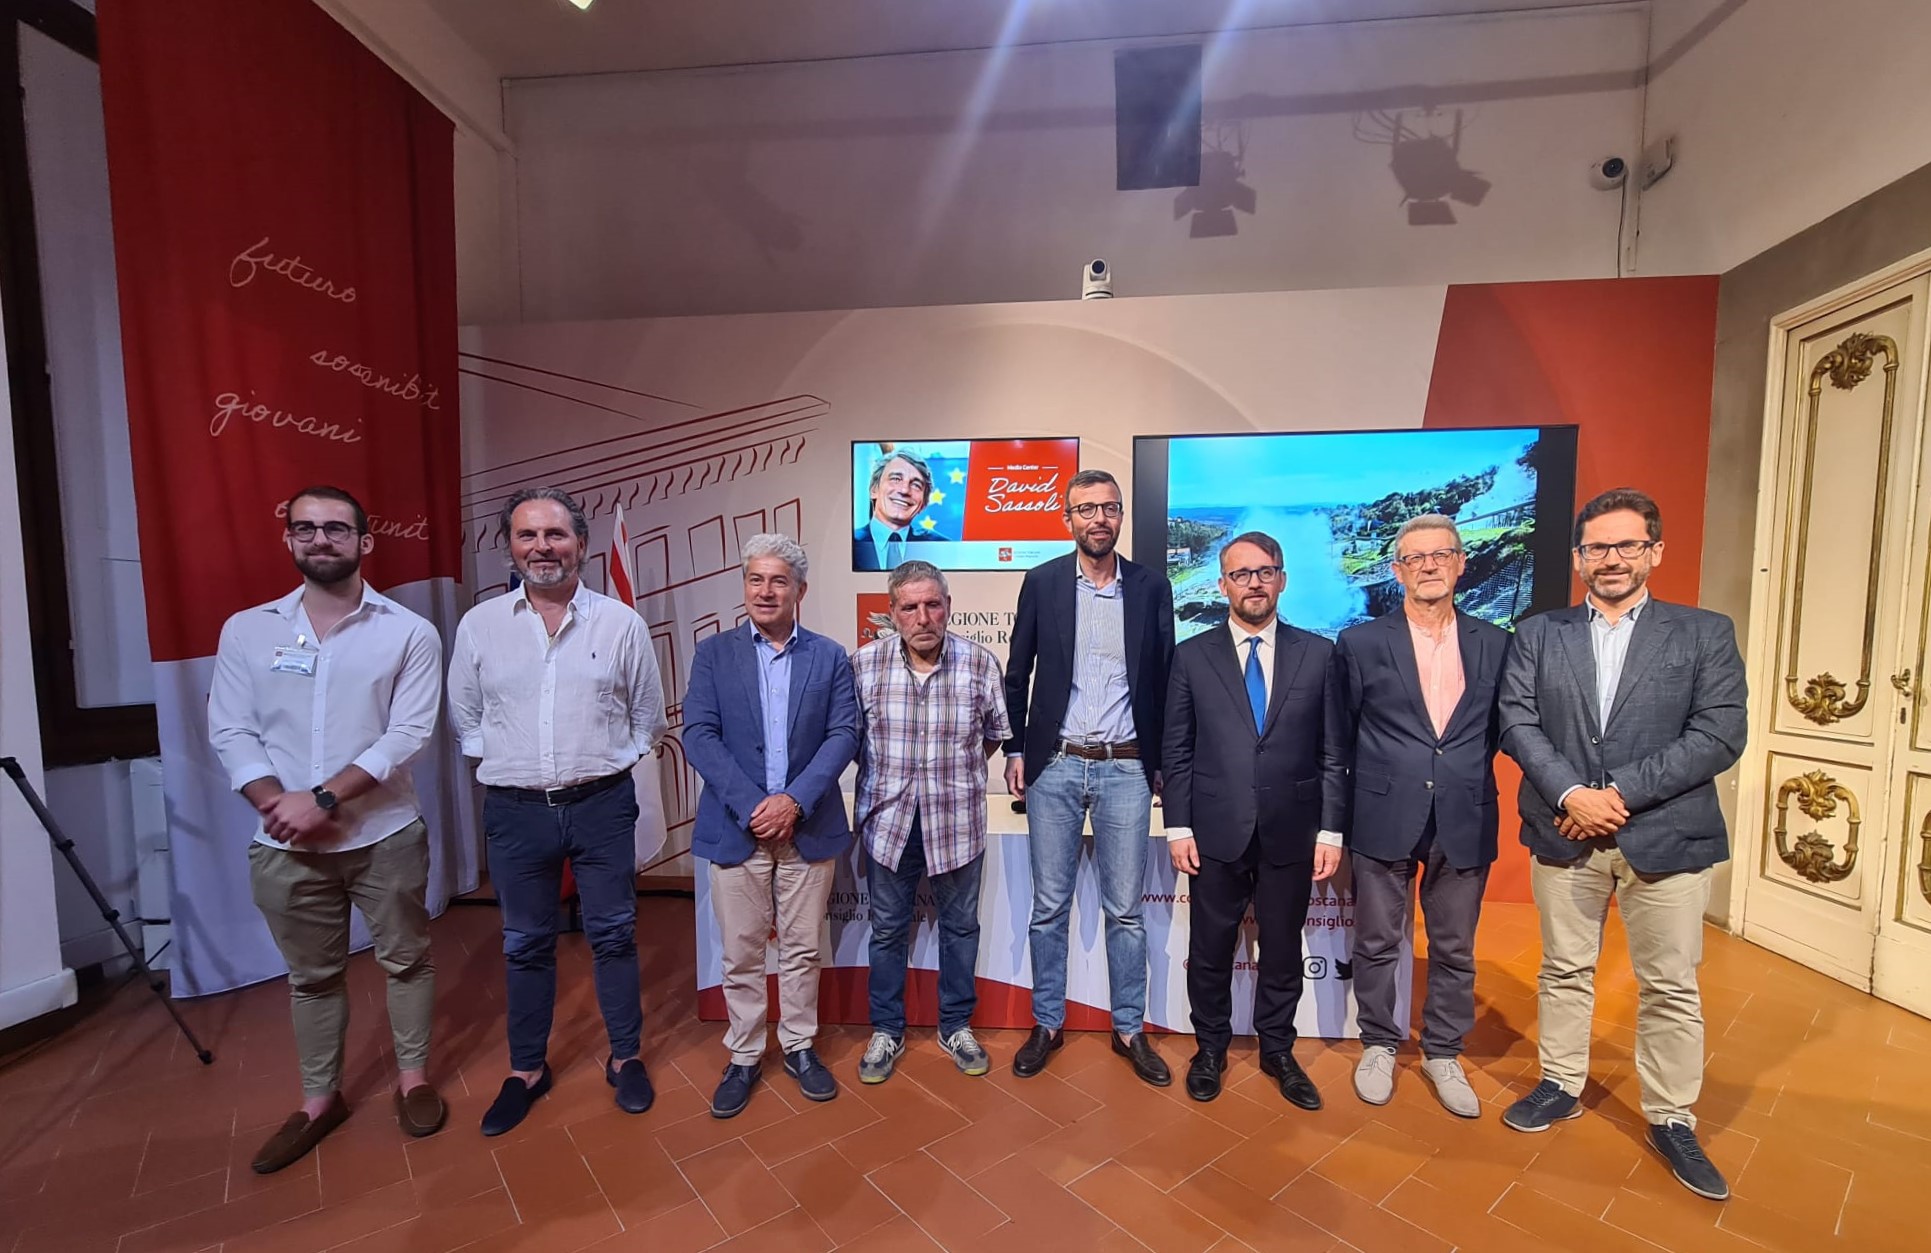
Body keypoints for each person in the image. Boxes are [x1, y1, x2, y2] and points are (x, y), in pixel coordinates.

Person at [1498, 487, 1746, 1202]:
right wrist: (1571, 794)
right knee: (1563, 968)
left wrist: (1615, 796)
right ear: (1578, 558)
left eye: (1626, 544)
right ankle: (1560, 1082)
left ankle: (1670, 1116)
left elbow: (1718, 733)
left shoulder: (1704, 633)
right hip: (1564, 830)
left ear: (1653, 551)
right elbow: (1516, 721)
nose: (1611, 558)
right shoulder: (1538, 633)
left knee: (1669, 983)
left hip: (1666, 836)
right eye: (1597, 547)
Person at [208, 485, 446, 1173]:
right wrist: (278, 804)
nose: (321, 539)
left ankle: (413, 1079)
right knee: (311, 977)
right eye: (306, 528)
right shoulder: (246, 630)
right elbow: (230, 728)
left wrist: (322, 798)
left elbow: (407, 734)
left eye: (336, 528)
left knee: (407, 959)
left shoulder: (408, 632)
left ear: (363, 542)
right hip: (284, 841)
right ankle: (319, 1100)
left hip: (384, 833)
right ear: (287, 539)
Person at [448, 486, 669, 1136]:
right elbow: (465, 716)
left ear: (581, 543)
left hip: (602, 805)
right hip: (516, 813)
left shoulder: (619, 624)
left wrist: (598, 760)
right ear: (510, 546)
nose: (542, 547)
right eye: (527, 535)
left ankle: (625, 1058)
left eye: (555, 534)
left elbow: (647, 718)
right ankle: (526, 1070)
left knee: (614, 935)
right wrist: (515, 762)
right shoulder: (480, 625)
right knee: (524, 944)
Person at [1327, 514, 1510, 1117]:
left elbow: (1504, 730)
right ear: (1397, 570)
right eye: (1416, 557)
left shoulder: (1495, 642)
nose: (1429, 566)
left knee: (1455, 946)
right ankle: (1379, 1043)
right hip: (1382, 813)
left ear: (1461, 563)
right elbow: (1339, 737)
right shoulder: (1360, 643)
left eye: (1441, 555)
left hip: (1465, 813)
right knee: (1377, 940)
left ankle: (1443, 1051)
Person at [1162, 531, 1346, 1107]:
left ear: (1282, 579)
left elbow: (1334, 751)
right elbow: (1177, 750)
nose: (1254, 584)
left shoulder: (1320, 655)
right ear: (1223, 585)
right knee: (1210, 947)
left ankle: (1278, 1050)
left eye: (1265, 572)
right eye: (1241, 574)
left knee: (1283, 948)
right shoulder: (1192, 656)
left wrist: (1331, 829)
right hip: (1215, 830)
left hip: (1293, 830)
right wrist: (1178, 826)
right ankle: (1210, 1048)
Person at [1003, 468, 1174, 1085]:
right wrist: (1015, 748)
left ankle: (1129, 1029)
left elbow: (1165, 678)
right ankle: (1047, 1023)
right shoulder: (1043, 581)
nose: (1098, 518)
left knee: (1125, 911)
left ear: (1120, 515)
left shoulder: (1152, 587)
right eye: (1086, 509)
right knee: (1048, 908)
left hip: (1127, 766)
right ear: (1068, 519)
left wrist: (1162, 762)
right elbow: (1017, 671)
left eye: (1109, 508)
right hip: (1054, 765)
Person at [683, 534, 859, 1118]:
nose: (765, 591)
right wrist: (754, 805)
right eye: (755, 579)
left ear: (799, 590)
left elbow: (844, 734)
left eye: (778, 580)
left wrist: (794, 802)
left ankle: (800, 1046)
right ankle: (744, 1054)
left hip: (807, 827)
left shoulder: (829, 656)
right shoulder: (714, 654)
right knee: (740, 952)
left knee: (804, 950)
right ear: (744, 586)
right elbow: (699, 735)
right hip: (737, 828)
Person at [850, 559, 1011, 1083]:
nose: (923, 618)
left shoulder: (979, 663)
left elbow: (994, 735)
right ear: (892, 612)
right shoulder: (864, 666)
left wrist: (951, 775)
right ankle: (887, 1030)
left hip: (956, 824)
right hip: (888, 823)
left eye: (932, 605)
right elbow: (850, 741)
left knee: (960, 929)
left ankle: (955, 1025)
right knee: (886, 931)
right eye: (910, 607)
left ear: (948, 607)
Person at [853, 451, 950, 570]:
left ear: (923, 504)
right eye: (896, 479)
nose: (904, 490)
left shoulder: (942, 548)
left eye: (916, 485)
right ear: (874, 490)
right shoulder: (847, 542)